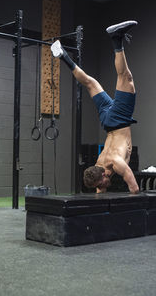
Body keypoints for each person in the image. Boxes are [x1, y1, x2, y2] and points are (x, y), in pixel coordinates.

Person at [51, 20, 140, 194]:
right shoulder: (98, 165)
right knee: (90, 83)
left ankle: (116, 38)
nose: (101, 187)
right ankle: (63, 55)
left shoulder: (116, 163)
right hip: (107, 121)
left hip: (119, 120)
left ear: (104, 176)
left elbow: (134, 188)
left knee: (125, 77)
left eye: (100, 184)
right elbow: (98, 187)